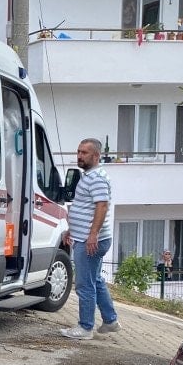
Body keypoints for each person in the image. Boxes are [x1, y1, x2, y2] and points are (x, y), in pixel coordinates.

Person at [60, 138, 121, 340]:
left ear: (96, 156)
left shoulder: (97, 178)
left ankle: (85, 328)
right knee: (95, 280)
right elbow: (82, 207)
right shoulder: (88, 176)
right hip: (85, 237)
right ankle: (110, 321)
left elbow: (101, 206)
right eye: (78, 152)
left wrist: (92, 235)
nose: (79, 156)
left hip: (91, 241)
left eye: (84, 153)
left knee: (85, 285)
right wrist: (71, 230)